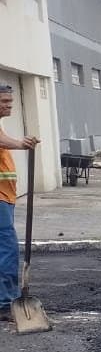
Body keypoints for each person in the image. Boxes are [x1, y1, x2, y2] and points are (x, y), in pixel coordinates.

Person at [0, 83, 39, 318]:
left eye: (10, 102)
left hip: (5, 196)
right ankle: (5, 302)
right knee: (7, 248)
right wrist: (21, 144)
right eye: (4, 102)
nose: (9, 106)